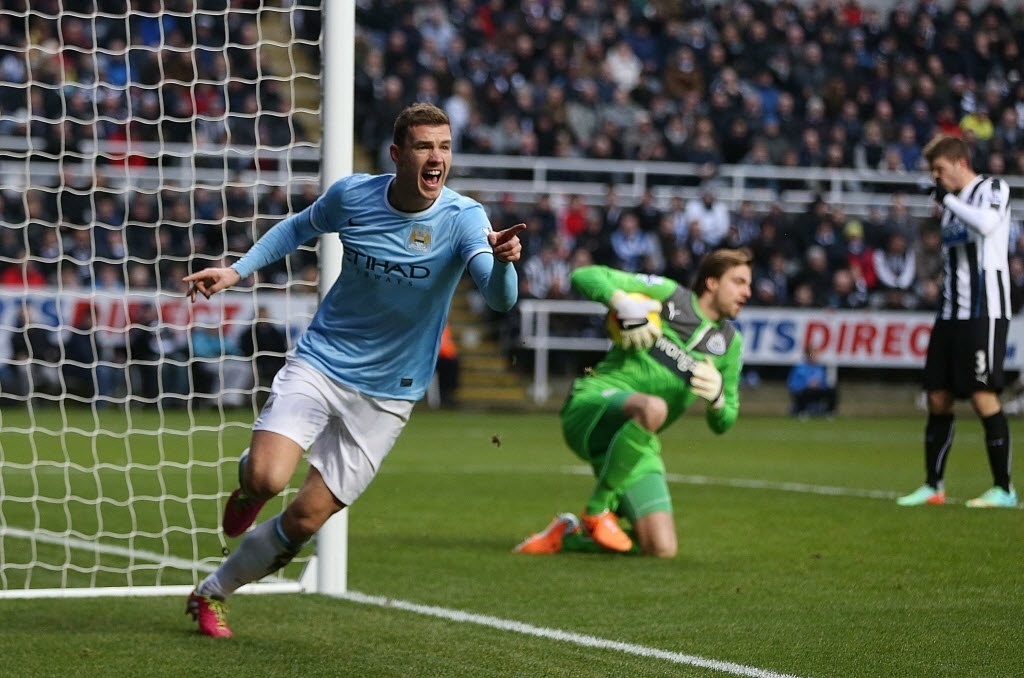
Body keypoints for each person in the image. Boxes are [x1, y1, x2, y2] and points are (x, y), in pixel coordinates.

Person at [182, 103, 525, 637]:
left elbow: (500, 300)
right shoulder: (354, 196)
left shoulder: (464, 218)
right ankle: (250, 486)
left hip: (391, 394)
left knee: (303, 519)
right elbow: (297, 228)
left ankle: (212, 592)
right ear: (397, 154)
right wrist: (236, 270)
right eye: (423, 146)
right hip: (323, 361)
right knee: (267, 477)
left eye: (445, 146)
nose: (437, 158)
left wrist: (502, 263)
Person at [514, 249, 752, 557]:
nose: (747, 292)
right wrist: (622, 302)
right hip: (593, 405)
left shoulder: (730, 345)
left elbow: (725, 422)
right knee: (654, 408)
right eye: (739, 282)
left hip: (636, 442)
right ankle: (597, 510)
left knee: (661, 547)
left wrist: (719, 399)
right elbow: (584, 275)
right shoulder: (670, 296)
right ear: (711, 282)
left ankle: (569, 535)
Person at [897, 135, 1017, 509]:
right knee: (937, 396)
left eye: (940, 170)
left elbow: (986, 224)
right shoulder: (949, 207)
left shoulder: (991, 188)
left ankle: (1004, 488)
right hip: (950, 314)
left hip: (985, 311)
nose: (936, 177)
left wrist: (945, 198)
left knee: (983, 396)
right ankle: (933, 484)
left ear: (960, 163)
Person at [786, 346, 837, 418]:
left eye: (817, 354)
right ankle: (802, 411)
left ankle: (829, 412)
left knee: (832, 391)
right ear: (808, 355)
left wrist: (819, 385)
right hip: (804, 392)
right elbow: (792, 384)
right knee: (806, 392)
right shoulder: (799, 367)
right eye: (814, 354)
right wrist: (807, 384)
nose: (816, 356)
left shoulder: (820, 368)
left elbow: (824, 383)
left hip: (817, 391)